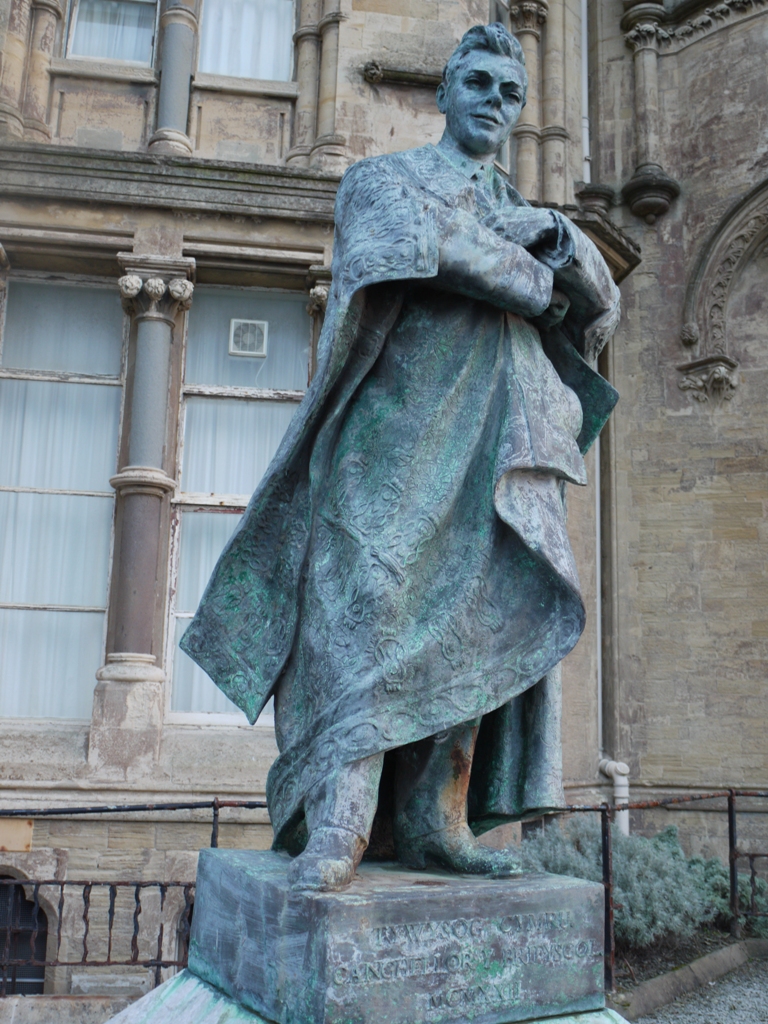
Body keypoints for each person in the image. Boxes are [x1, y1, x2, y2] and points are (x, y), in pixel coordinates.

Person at [181, 23, 620, 892]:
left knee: (479, 622)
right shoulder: (382, 179)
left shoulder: (534, 215)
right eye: (482, 84)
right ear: (446, 92)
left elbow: (601, 302)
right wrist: (537, 273)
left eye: (511, 93)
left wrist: (559, 244)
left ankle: (438, 823)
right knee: (364, 619)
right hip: (392, 444)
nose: (496, 103)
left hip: (501, 445)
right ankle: (338, 831)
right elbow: (432, 250)